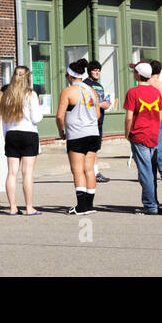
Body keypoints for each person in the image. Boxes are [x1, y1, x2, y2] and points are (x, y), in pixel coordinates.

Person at [124, 61, 162, 215]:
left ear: (138, 75)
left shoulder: (133, 92)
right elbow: (159, 113)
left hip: (139, 134)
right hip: (152, 134)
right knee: (150, 170)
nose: (133, 73)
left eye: (134, 72)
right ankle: (152, 202)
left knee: (145, 172)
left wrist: (127, 133)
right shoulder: (156, 92)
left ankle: (151, 205)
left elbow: (129, 117)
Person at [56, 59, 101, 215]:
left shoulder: (68, 91)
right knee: (89, 169)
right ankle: (89, 204)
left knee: (77, 170)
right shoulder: (92, 91)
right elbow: (97, 114)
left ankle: (81, 206)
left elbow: (60, 116)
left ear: (69, 75)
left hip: (76, 134)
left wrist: (61, 131)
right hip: (93, 133)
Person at [0, 65, 42, 216]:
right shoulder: (30, 95)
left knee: (12, 173)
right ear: (27, 78)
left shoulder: (7, 95)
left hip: (11, 133)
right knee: (27, 173)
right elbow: (36, 118)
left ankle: (12, 207)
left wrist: (6, 137)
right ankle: (29, 207)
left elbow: (3, 120)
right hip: (28, 133)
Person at [83, 61, 113, 182]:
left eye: (99, 70)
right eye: (95, 70)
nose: (97, 72)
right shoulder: (85, 84)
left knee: (95, 148)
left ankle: (93, 172)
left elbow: (100, 100)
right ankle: (93, 173)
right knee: (90, 149)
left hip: (99, 120)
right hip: (90, 121)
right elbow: (85, 102)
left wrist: (106, 104)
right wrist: (100, 104)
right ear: (89, 71)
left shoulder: (99, 85)